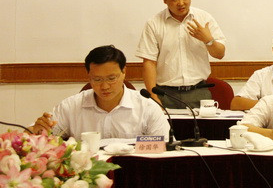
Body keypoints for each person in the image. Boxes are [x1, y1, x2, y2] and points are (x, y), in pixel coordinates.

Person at [31, 45, 169, 140]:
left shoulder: (148, 107)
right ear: (89, 76)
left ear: (124, 72)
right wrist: (38, 131)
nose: (104, 86)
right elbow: (41, 136)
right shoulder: (70, 107)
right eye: (97, 79)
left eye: (111, 78)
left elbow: (163, 148)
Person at [136, 0, 226, 108]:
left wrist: (208, 40)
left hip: (198, 92)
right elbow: (149, 63)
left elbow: (220, 54)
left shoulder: (204, 18)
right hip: (164, 94)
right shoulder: (154, 23)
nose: (181, 3)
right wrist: (153, 96)